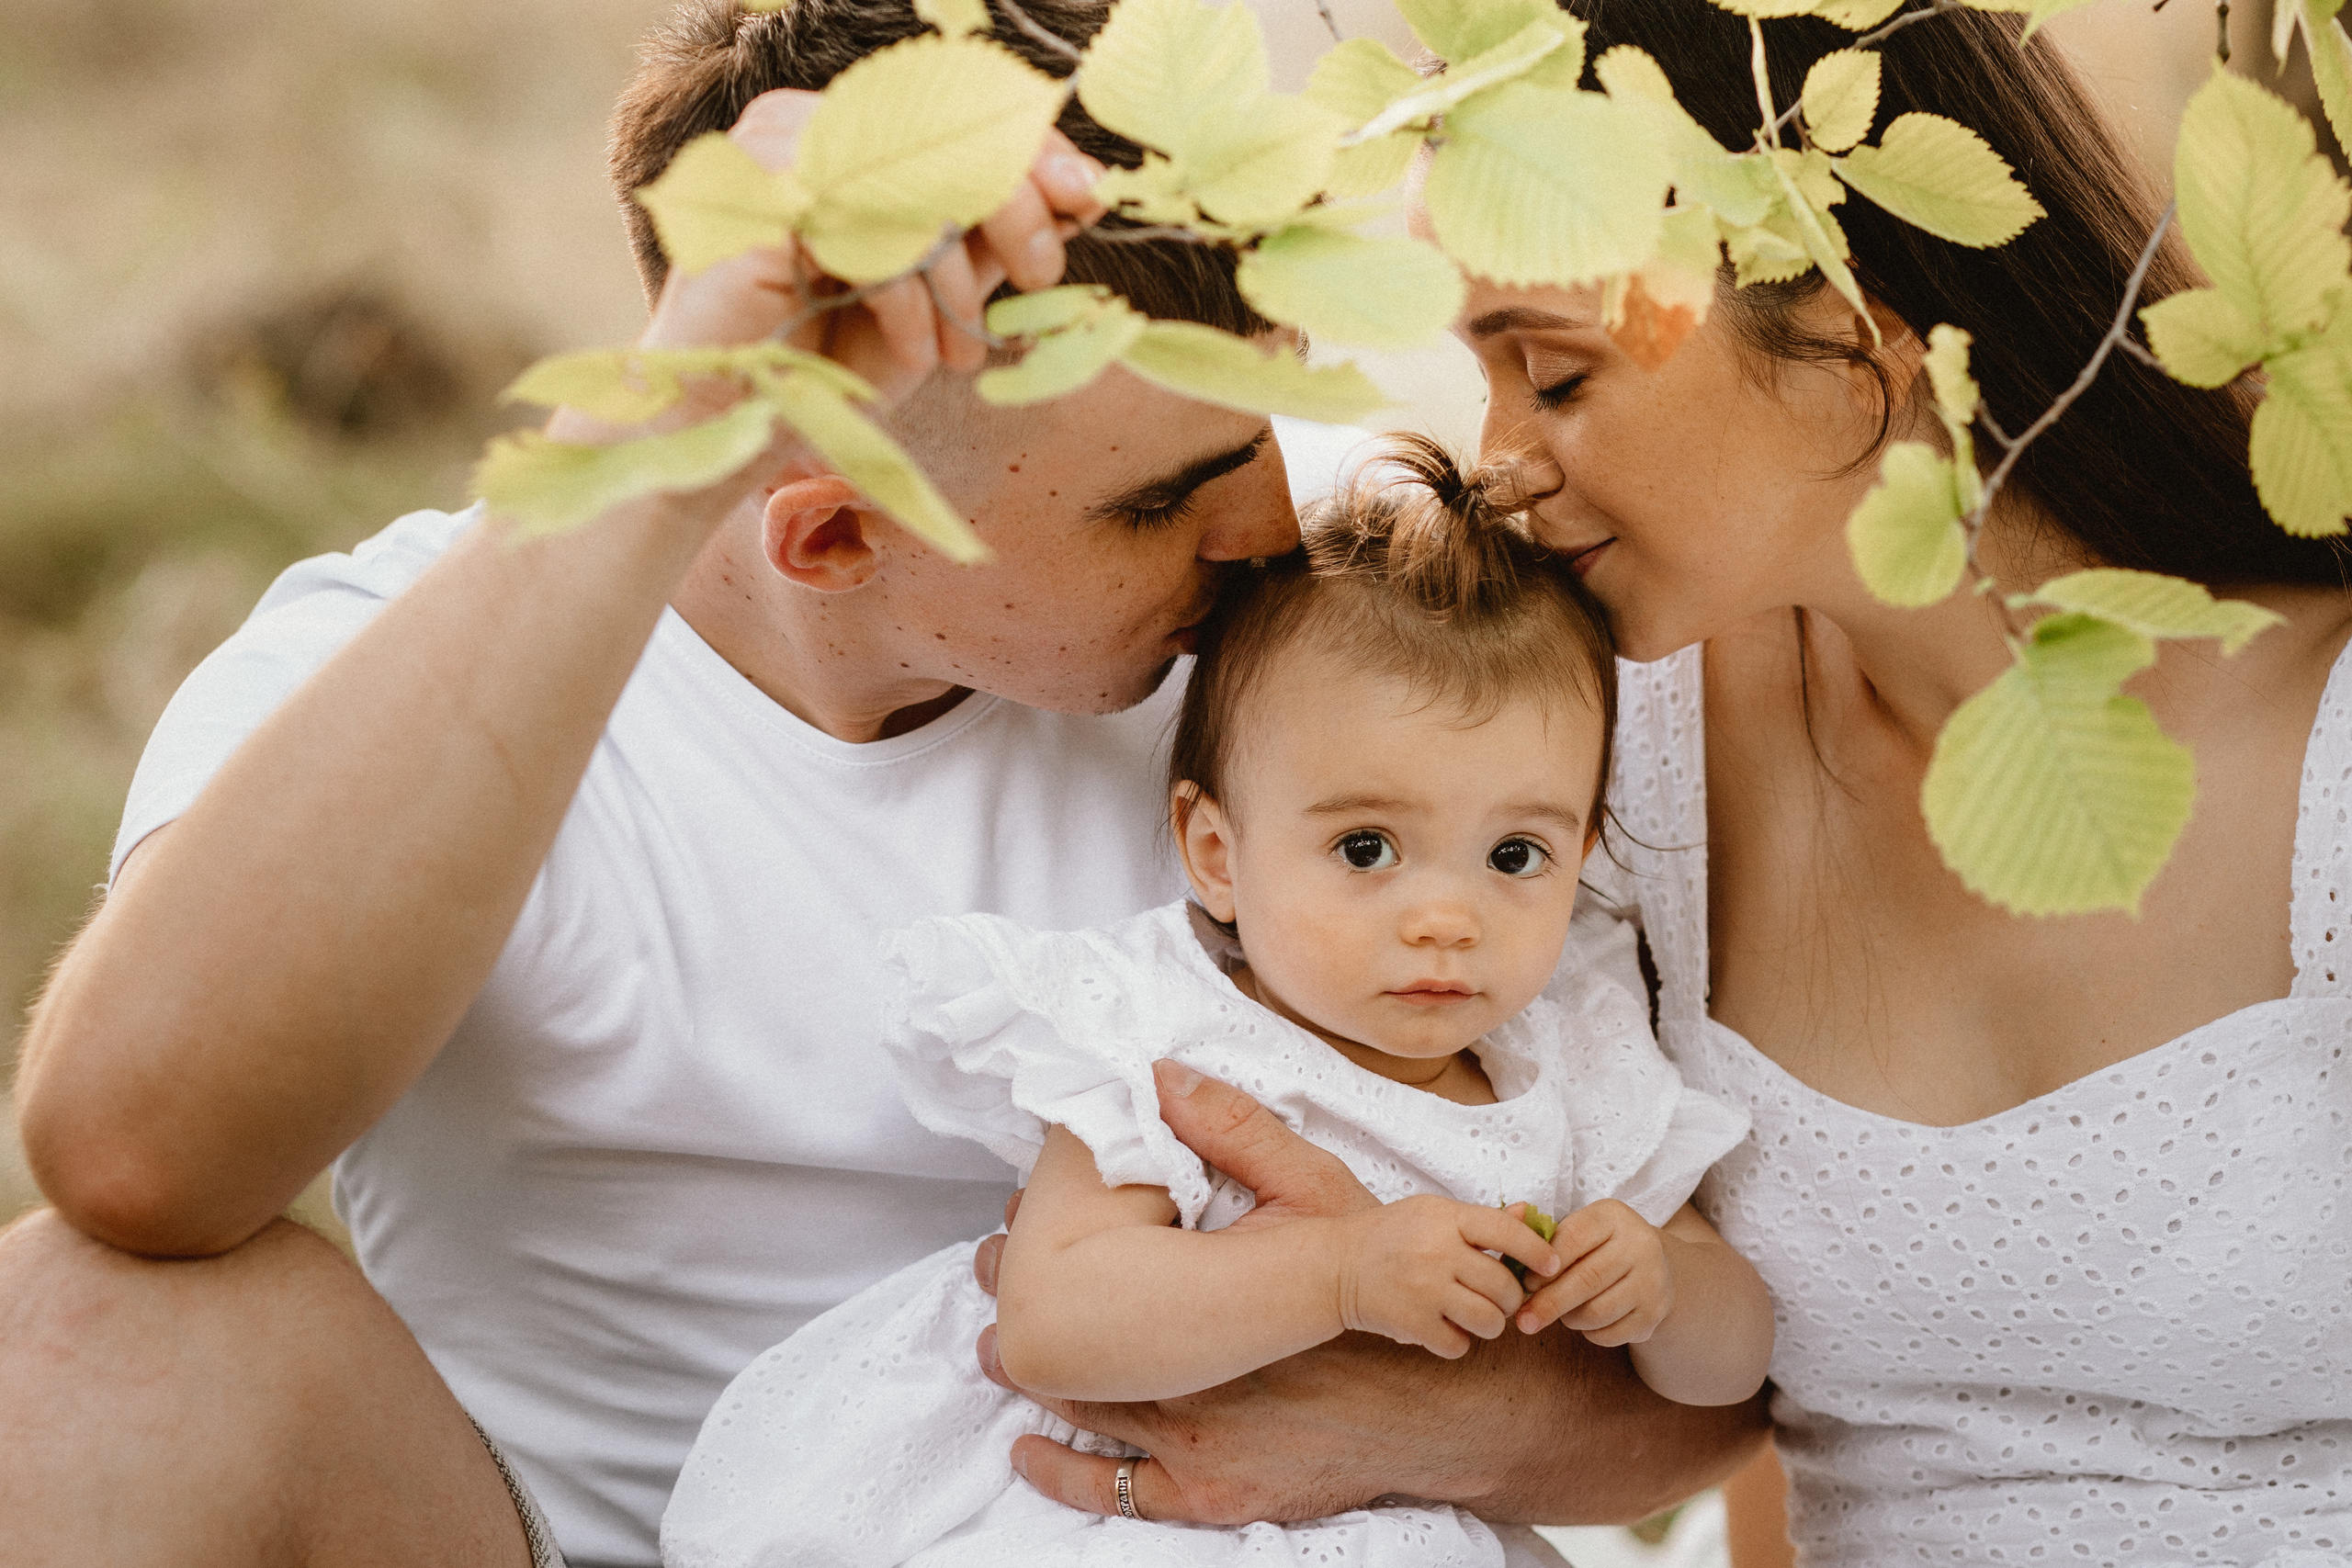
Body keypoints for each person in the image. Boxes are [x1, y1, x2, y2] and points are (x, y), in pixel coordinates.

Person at [0, 3, 1763, 1565]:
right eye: (1156, 505)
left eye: (1262, 439)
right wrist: (663, 438)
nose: (1264, 534)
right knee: (72, 1332)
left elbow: (1725, 1370)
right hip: (556, 1532)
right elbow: (132, 1164)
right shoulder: (408, 656)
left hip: (1211, 1535)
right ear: (835, 531)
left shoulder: (1342, 674)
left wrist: (1403, 1424)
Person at [1432, 3, 2352, 1563]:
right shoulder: (1630, 756)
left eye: (1558, 375)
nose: (1495, 454)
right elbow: (1787, 1438)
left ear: (1854, 341)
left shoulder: (2325, 749)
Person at [659, 442, 1772, 1568]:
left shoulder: (1571, 1055)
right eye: (1367, 846)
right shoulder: (1173, 1034)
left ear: (1581, 851)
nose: (1449, 916)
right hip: (1104, 1519)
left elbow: (1733, 1369)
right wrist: (1338, 1276)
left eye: (1516, 853)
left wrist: (1664, 1289)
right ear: (1216, 854)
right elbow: (1053, 1319)